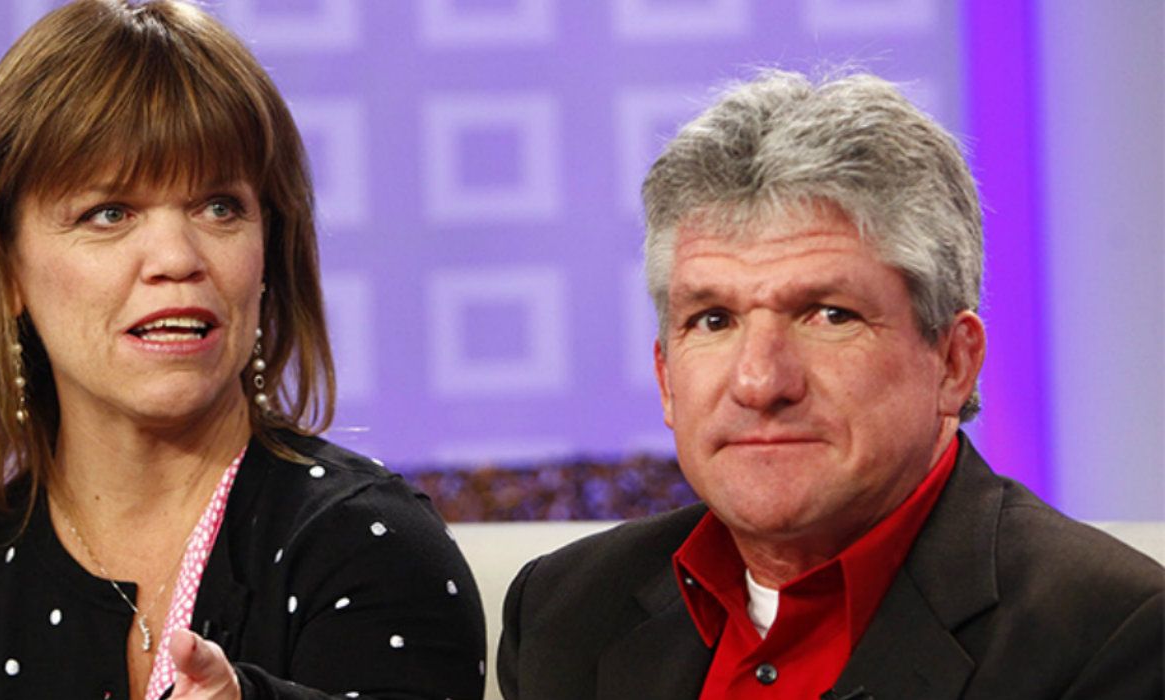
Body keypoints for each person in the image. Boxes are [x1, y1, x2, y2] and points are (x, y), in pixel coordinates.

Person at [0, 2, 486, 699]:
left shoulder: (370, 549)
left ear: (269, 252)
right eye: (109, 213)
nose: (177, 258)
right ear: (5, 272)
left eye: (219, 207)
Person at [499, 70, 1164, 699]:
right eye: (713, 319)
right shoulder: (566, 611)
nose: (759, 381)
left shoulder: (1111, 637)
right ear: (666, 378)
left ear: (953, 364)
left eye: (829, 314)